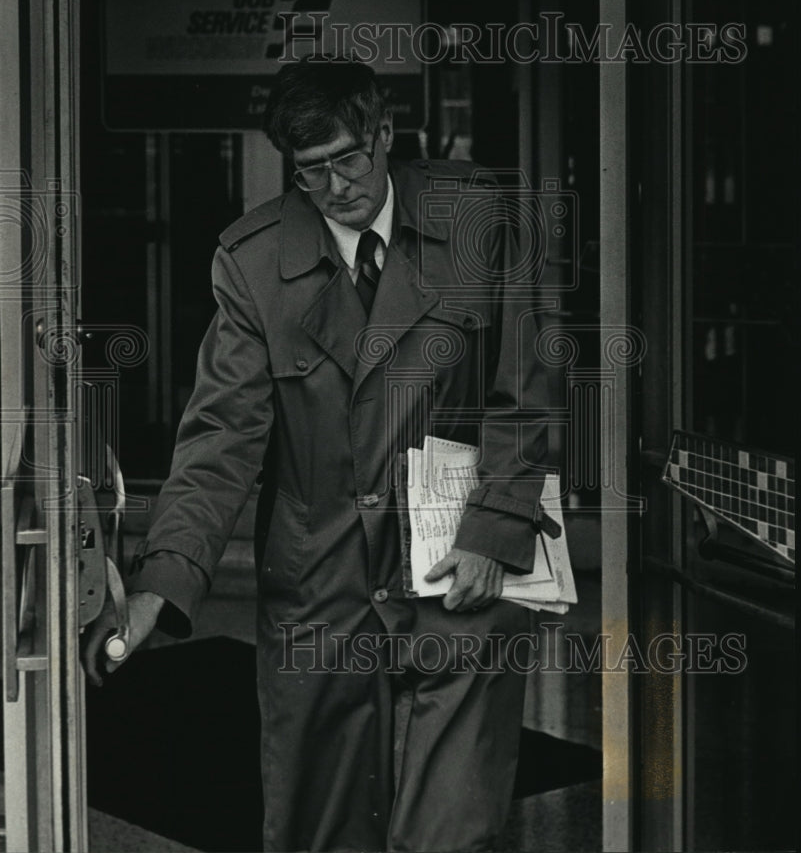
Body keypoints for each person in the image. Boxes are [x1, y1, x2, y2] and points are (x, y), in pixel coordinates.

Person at [82, 57, 549, 852]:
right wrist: (164, 579)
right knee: (316, 827)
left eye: (348, 160)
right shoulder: (251, 262)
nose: (335, 187)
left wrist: (496, 527)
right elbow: (222, 437)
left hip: (456, 559)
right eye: (310, 173)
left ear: (385, 135)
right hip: (318, 578)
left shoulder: (478, 219)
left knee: (451, 826)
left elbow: (525, 390)